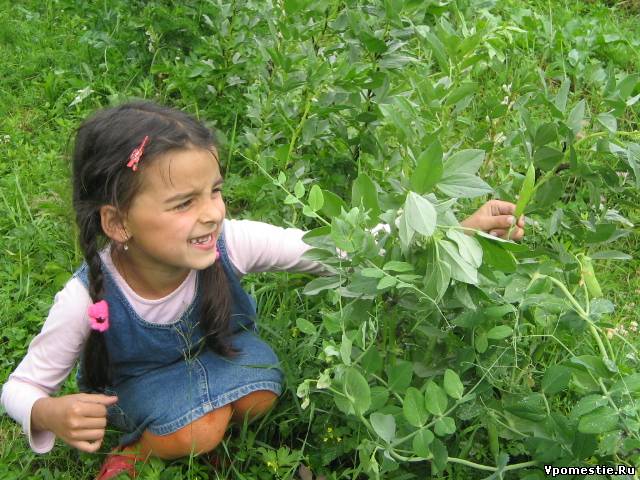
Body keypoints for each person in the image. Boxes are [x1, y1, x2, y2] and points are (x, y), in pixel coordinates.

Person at [0, 101, 525, 479]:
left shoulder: (231, 241)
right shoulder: (85, 298)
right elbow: (18, 388)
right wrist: (47, 413)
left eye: (215, 191)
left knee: (260, 394)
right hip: (140, 386)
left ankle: (201, 428)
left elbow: (341, 249)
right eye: (184, 203)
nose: (212, 213)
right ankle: (141, 454)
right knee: (201, 430)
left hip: (220, 355)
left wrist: (452, 230)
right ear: (118, 223)